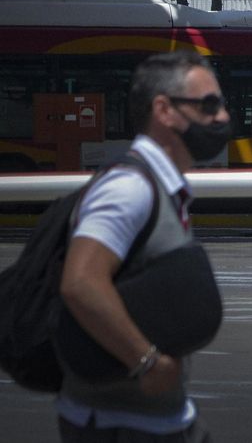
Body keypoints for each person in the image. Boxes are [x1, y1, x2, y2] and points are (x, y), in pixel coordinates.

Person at [56, 50, 230, 443]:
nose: (221, 118)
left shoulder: (161, 186)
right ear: (164, 110)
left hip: (160, 419)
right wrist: (146, 361)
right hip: (120, 425)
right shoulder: (130, 189)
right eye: (209, 105)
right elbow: (81, 282)